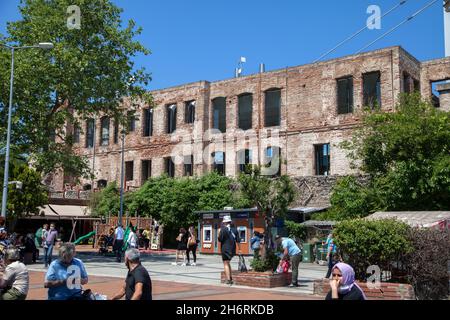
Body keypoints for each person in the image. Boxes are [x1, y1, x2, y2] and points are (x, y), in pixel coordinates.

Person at [218, 215, 241, 286]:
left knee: (225, 263)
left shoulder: (222, 229)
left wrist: (219, 233)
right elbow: (238, 240)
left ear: (224, 222)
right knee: (228, 262)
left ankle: (229, 280)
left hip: (225, 248)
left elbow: (220, 240)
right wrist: (240, 249)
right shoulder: (235, 229)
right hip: (233, 249)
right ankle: (230, 277)